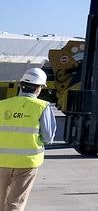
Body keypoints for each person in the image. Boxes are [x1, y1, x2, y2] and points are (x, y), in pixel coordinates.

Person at [0, 68, 56, 211]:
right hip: (27, 162)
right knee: (15, 203)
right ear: (39, 88)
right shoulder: (42, 107)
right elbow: (48, 137)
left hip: (1, 161)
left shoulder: (3, 105)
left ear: (21, 85)